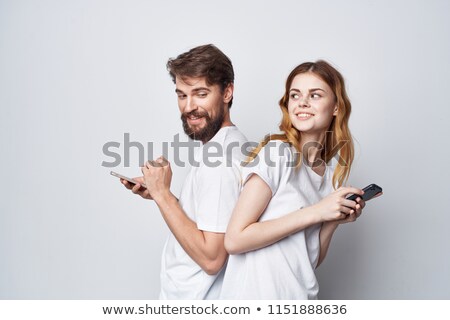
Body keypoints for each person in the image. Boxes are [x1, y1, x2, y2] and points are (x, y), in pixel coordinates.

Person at [220, 60, 378, 299]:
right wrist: (317, 212)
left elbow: (309, 260)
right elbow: (234, 239)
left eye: (315, 95)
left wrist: (333, 220)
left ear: (336, 107)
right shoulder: (277, 153)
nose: (302, 102)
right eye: (295, 95)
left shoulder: (330, 176)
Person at [120, 44, 247, 299]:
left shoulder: (218, 161)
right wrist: (160, 194)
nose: (189, 107)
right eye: (181, 95)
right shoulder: (230, 144)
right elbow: (211, 222)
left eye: (200, 94)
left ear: (227, 92)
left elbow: (212, 258)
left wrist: (164, 196)